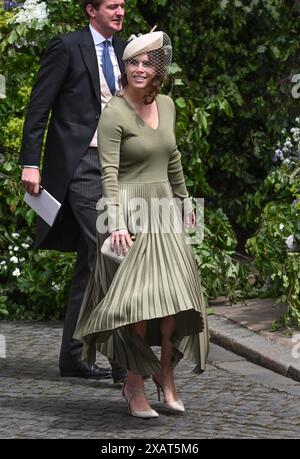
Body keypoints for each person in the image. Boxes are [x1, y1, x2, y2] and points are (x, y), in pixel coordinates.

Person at [74, 31, 209, 418]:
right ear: (125, 67)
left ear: (158, 70)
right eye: (132, 62)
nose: (138, 68)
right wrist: (115, 223)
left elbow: (173, 157)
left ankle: (165, 377)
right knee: (141, 305)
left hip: (165, 212)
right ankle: (134, 385)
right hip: (129, 216)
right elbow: (109, 173)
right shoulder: (114, 112)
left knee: (173, 302)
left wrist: (185, 201)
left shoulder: (166, 105)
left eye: (147, 63)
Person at [19, 0, 127, 383]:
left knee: (89, 261)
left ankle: (73, 357)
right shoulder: (66, 46)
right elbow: (39, 108)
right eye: (112, 5)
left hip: (117, 168)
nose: (120, 12)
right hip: (81, 165)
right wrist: (30, 163)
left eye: (123, 5)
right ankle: (124, 364)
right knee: (112, 253)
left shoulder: (124, 49)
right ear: (90, 10)